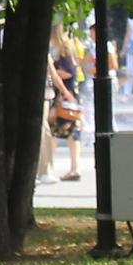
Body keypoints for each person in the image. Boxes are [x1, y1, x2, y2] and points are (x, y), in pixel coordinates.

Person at [44, 29, 86, 183]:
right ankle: (74, 168)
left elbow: (69, 73)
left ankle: (48, 168)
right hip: (70, 96)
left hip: (65, 97)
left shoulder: (63, 54)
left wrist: (52, 71)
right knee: (72, 134)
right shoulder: (68, 51)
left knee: (53, 131)